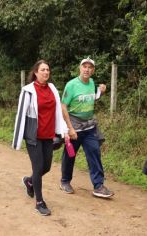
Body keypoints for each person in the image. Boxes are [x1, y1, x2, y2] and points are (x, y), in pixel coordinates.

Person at [12, 60, 69, 216]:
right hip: (34, 136)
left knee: (47, 167)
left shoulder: (52, 88)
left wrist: (63, 131)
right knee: (38, 168)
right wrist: (17, 140)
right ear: (36, 72)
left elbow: (58, 111)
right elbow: (20, 115)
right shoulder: (28, 90)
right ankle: (39, 202)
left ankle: (29, 181)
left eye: (48, 70)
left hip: (48, 135)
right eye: (42, 70)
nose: (46, 72)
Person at [59, 57, 114, 198]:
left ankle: (98, 186)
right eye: (85, 66)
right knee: (70, 155)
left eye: (90, 67)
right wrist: (69, 128)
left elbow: (90, 98)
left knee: (94, 153)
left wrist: (101, 91)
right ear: (80, 68)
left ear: (93, 70)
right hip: (74, 126)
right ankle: (65, 181)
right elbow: (63, 106)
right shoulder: (71, 85)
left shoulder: (91, 83)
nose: (87, 69)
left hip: (89, 127)